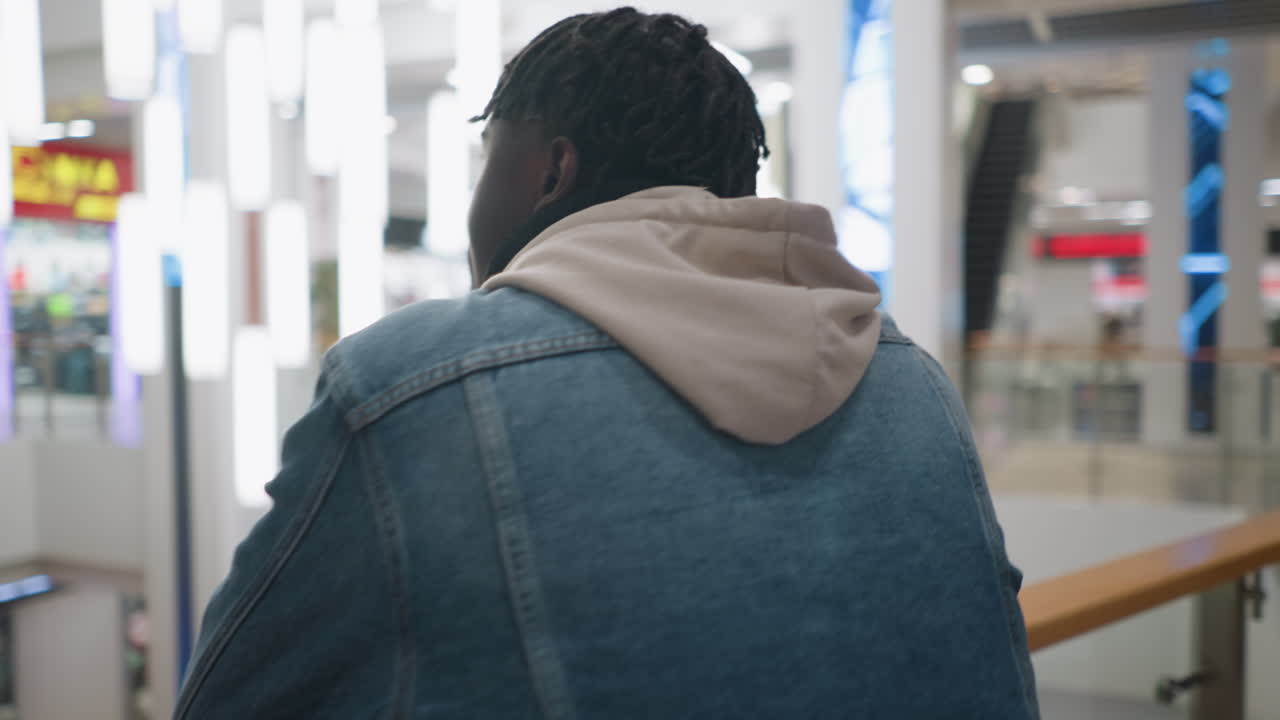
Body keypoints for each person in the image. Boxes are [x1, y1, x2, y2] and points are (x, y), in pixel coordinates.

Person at [175, 8, 1039, 718]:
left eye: (488, 164)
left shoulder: (407, 392)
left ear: (551, 170)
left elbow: (230, 701)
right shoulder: (912, 384)